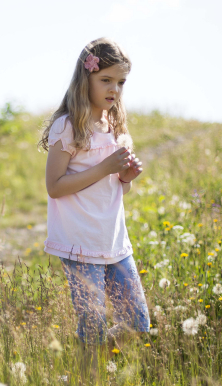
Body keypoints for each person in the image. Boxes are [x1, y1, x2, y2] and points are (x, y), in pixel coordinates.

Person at [40, 38, 150, 352]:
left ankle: (88, 352)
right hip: (79, 240)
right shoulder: (69, 126)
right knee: (93, 325)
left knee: (137, 322)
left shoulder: (116, 127)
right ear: (85, 78)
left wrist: (125, 178)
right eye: (105, 80)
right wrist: (104, 167)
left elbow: (118, 188)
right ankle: (88, 375)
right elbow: (55, 186)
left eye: (121, 82)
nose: (114, 89)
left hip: (114, 240)